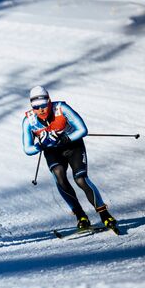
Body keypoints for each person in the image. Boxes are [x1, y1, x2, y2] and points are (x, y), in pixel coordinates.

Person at [22, 86, 118, 232]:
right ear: (32, 107)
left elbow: (83, 129)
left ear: (49, 101)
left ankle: (104, 214)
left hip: (73, 147)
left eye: (43, 105)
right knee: (59, 176)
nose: (41, 110)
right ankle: (80, 216)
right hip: (52, 151)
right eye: (36, 107)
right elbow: (27, 149)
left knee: (81, 179)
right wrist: (40, 145)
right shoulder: (28, 121)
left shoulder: (61, 109)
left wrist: (65, 138)